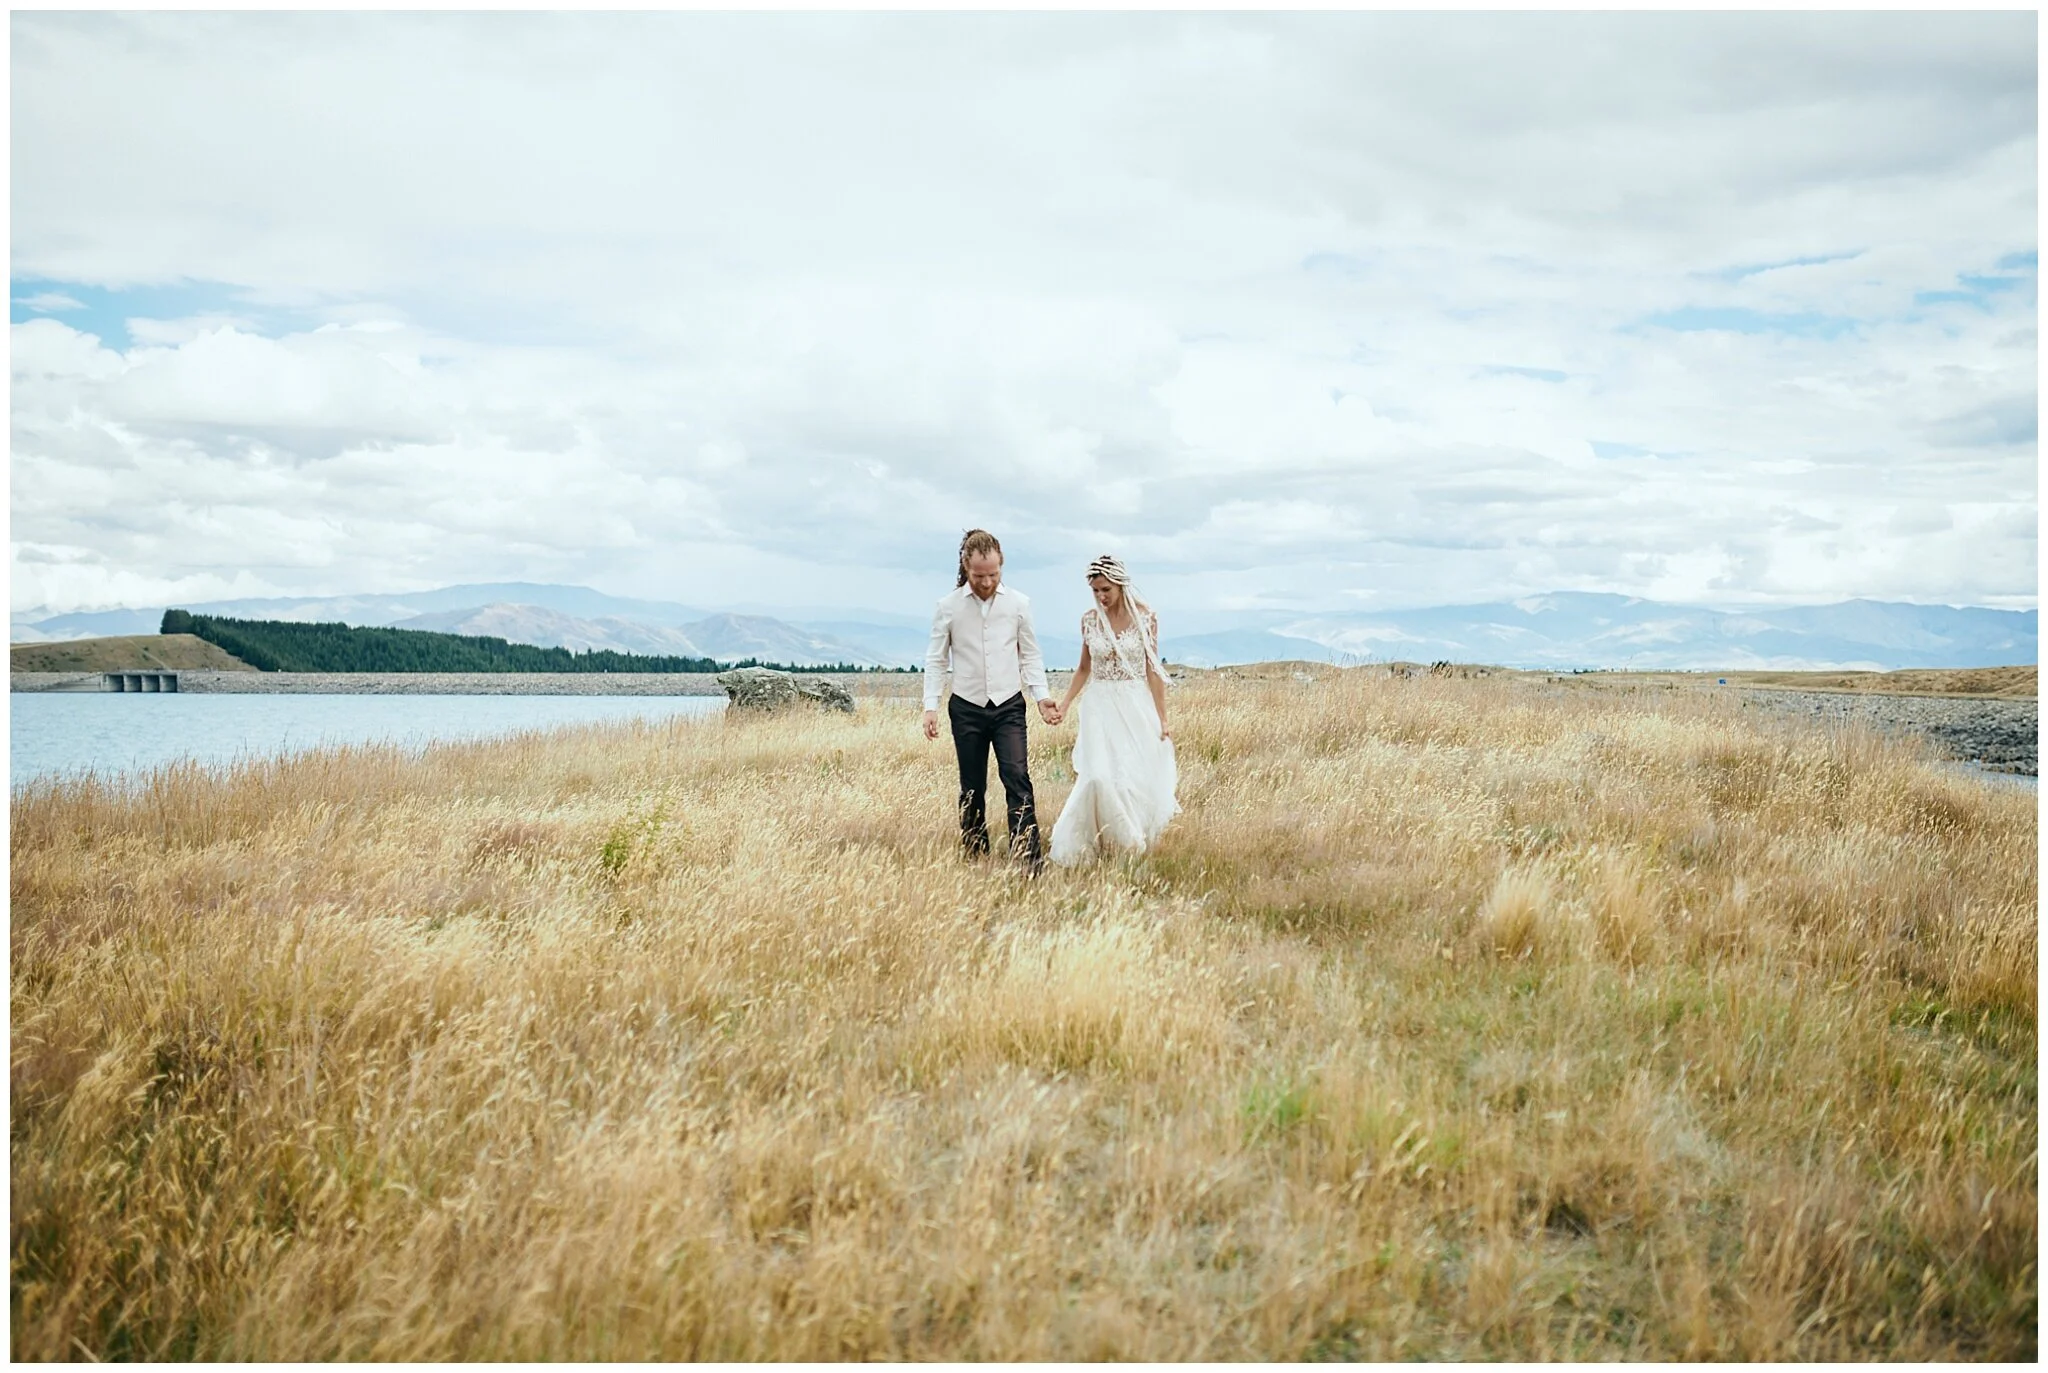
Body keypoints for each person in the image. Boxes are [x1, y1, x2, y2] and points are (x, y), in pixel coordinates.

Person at [923, 529, 1060, 871]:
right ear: (965, 568)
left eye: (993, 574)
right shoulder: (948, 607)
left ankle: (1028, 859)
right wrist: (931, 706)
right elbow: (937, 659)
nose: (986, 582)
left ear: (1002, 566)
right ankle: (975, 854)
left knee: (1017, 776)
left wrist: (1041, 697)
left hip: (1009, 706)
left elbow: (1030, 655)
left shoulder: (1019, 604)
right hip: (966, 707)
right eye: (978, 575)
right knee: (972, 784)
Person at [1047, 553, 1180, 866]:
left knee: (1129, 776)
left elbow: (1153, 669)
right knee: (1097, 776)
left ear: (1120, 585)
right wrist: (1065, 704)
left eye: (1105, 589)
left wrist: (1163, 718)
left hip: (1134, 704)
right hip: (1098, 707)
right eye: (1095, 591)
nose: (1101, 597)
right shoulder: (1089, 620)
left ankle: (1126, 845)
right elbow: (1083, 668)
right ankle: (1088, 843)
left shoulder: (1146, 618)